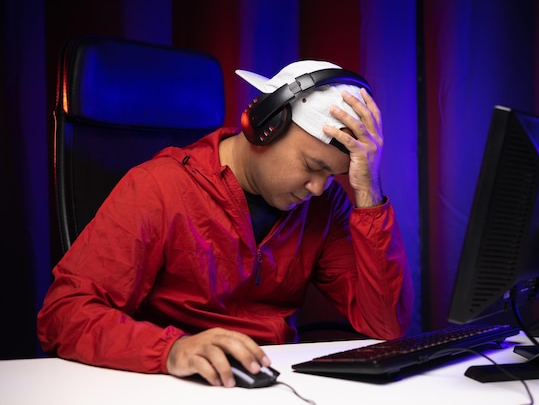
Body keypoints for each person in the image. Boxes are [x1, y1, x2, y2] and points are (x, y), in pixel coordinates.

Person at [37, 60, 414, 388]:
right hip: (169, 385)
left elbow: (385, 326)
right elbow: (63, 315)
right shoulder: (158, 187)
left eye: (334, 176)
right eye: (313, 167)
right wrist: (171, 350)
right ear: (265, 127)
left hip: (273, 384)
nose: (318, 188)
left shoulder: (323, 206)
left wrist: (368, 192)